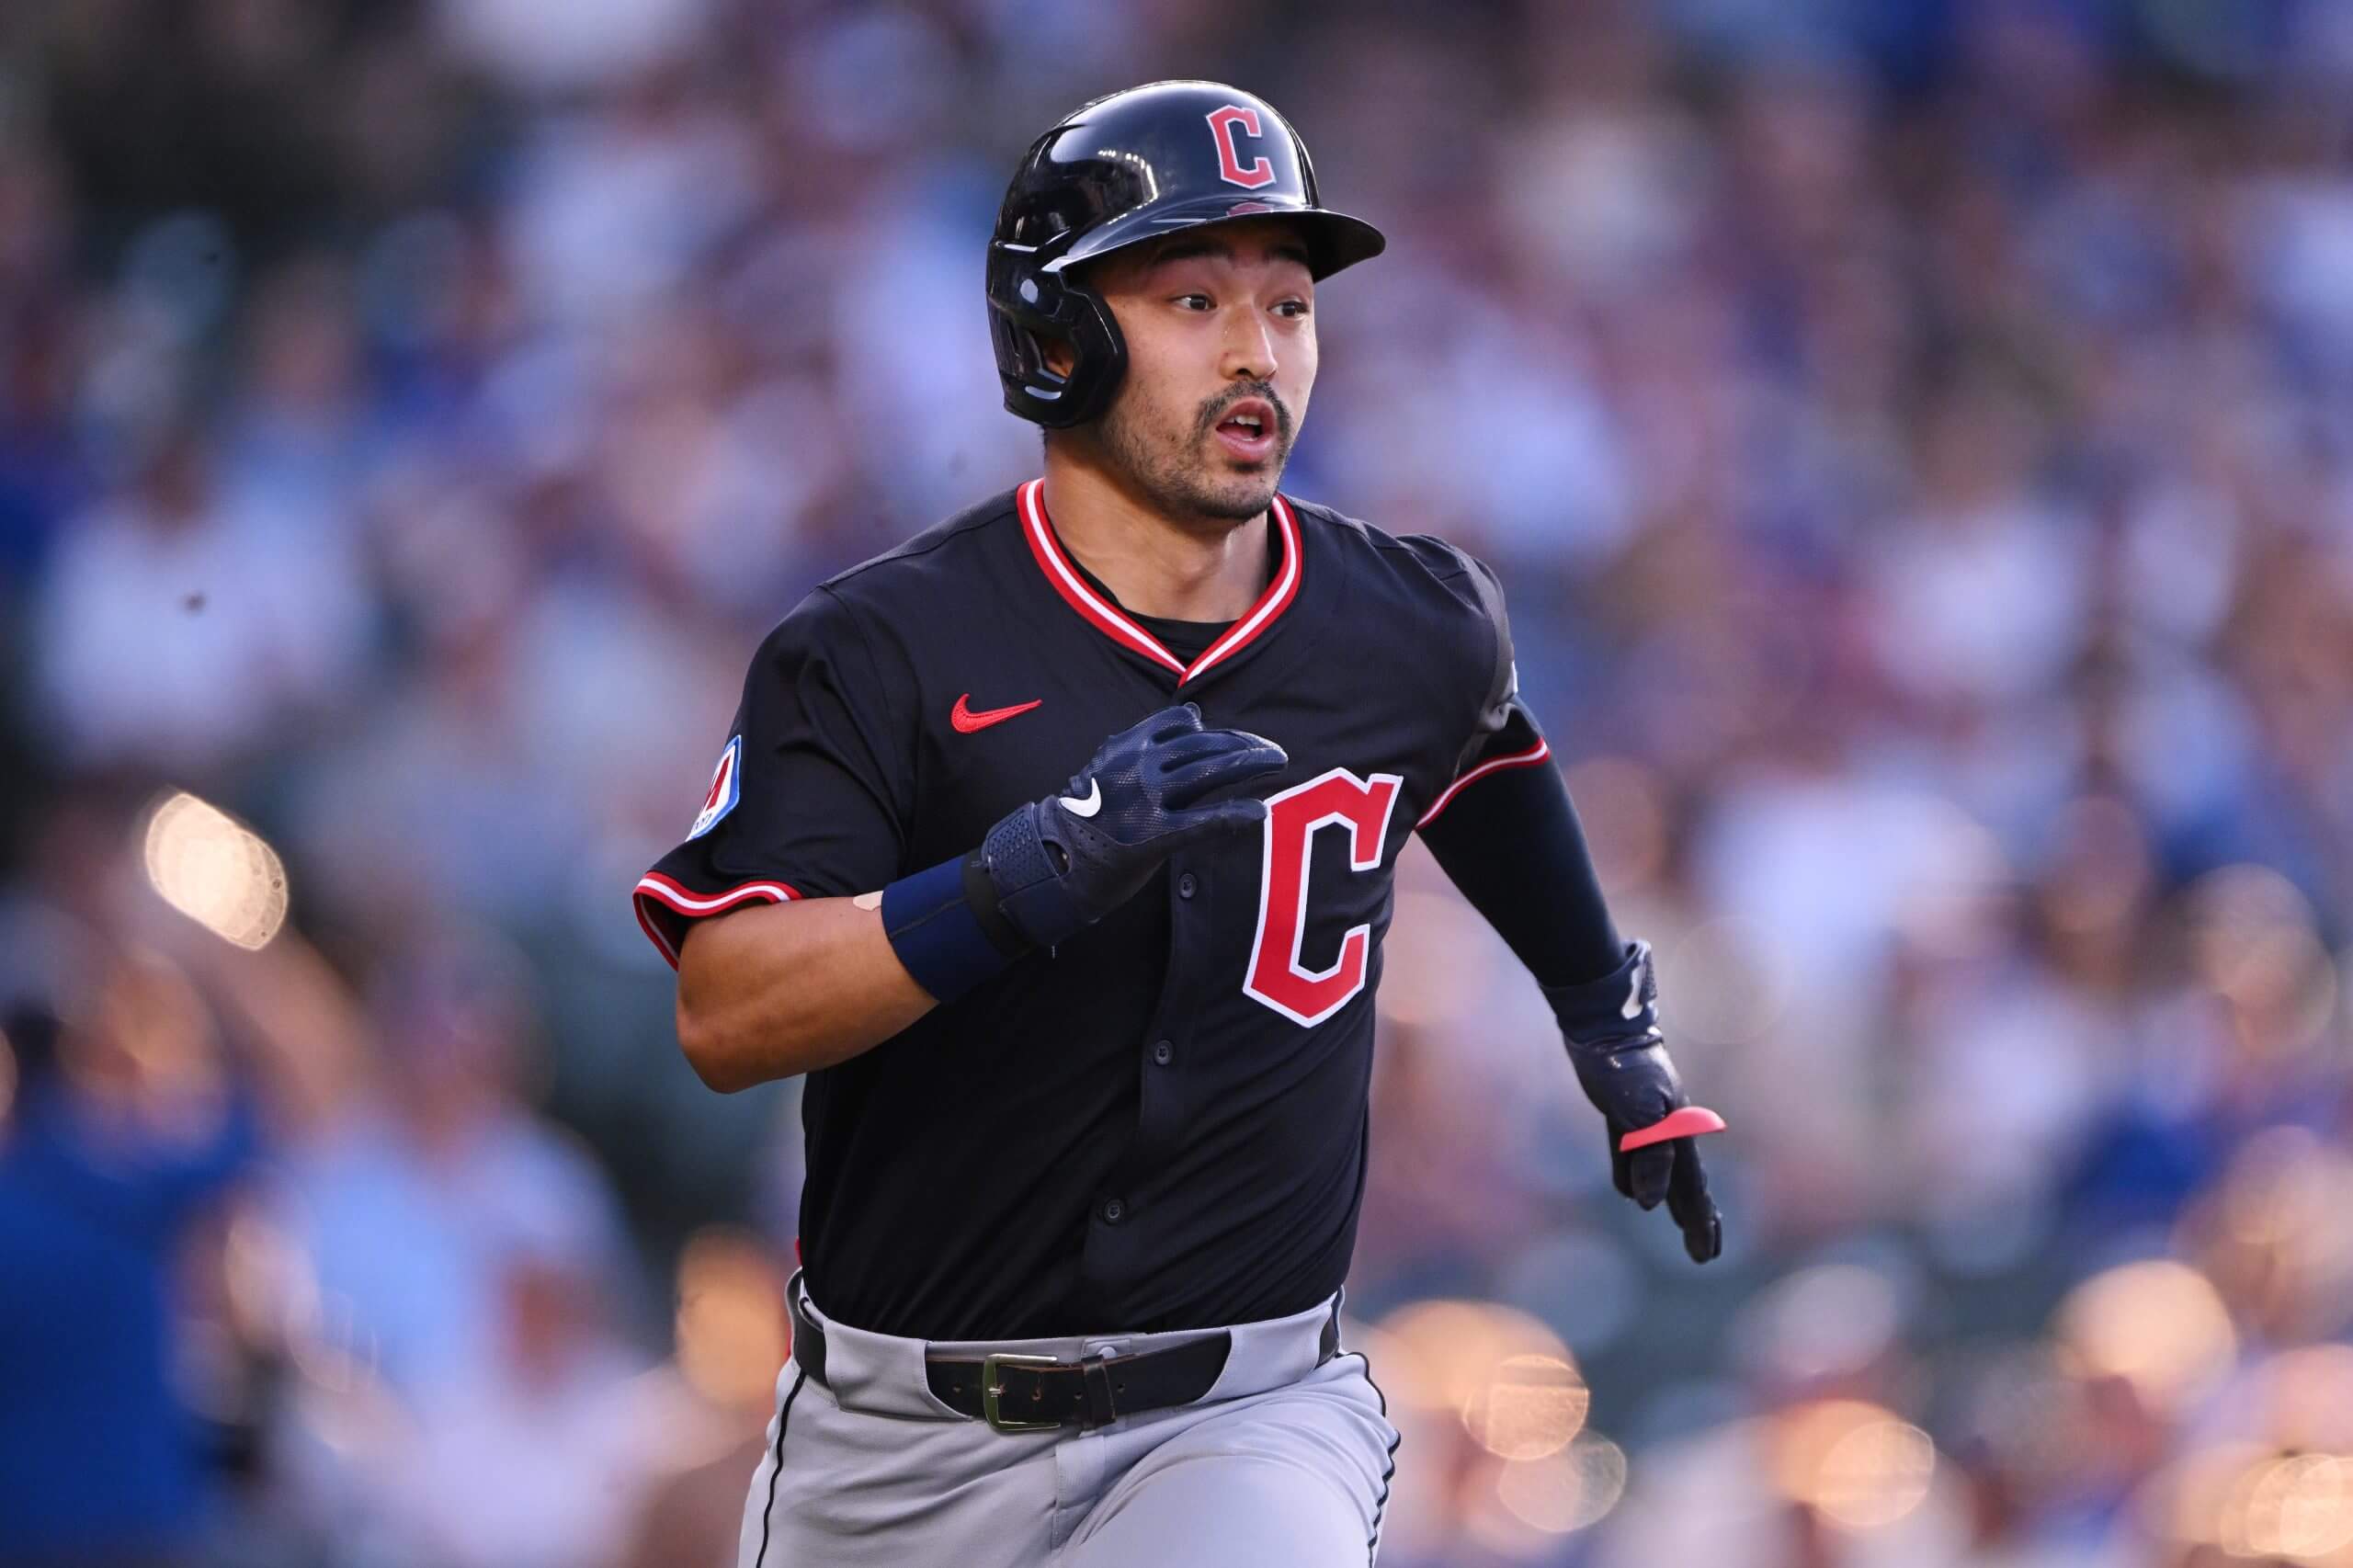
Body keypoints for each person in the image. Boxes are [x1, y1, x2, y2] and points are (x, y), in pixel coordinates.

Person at [631, 79, 1723, 1568]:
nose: (1257, 350)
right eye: (1196, 298)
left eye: (1290, 306)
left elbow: (1488, 763)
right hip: (897, 1446)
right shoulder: (881, 646)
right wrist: (1013, 882)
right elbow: (725, 1009)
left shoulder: (1412, 622)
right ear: (1058, 334)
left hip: (1247, 1411)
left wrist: (1607, 1018)